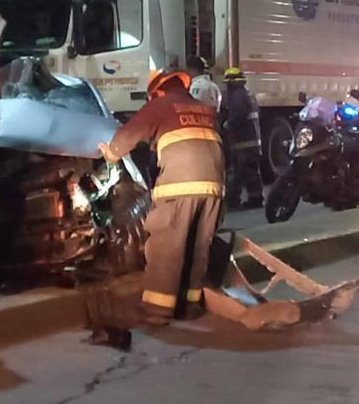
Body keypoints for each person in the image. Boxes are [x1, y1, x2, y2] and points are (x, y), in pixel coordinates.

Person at [97, 69, 224, 325]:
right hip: (214, 187)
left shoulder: (160, 106)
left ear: (157, 91)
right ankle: (189, 306)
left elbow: (125, 138)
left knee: (167, 246)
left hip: (180, 186)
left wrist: (110, 153)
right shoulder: (204, 109)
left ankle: (157, 309)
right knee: (197, 246)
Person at [221, 67, 264, 209]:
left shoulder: (238, 95)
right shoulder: (245, 94)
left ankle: (249, 200)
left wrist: (228, 124)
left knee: (244, 172)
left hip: (244, 142)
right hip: (250, 141)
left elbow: (238, 115)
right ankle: (253, 199)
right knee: (246, 172)